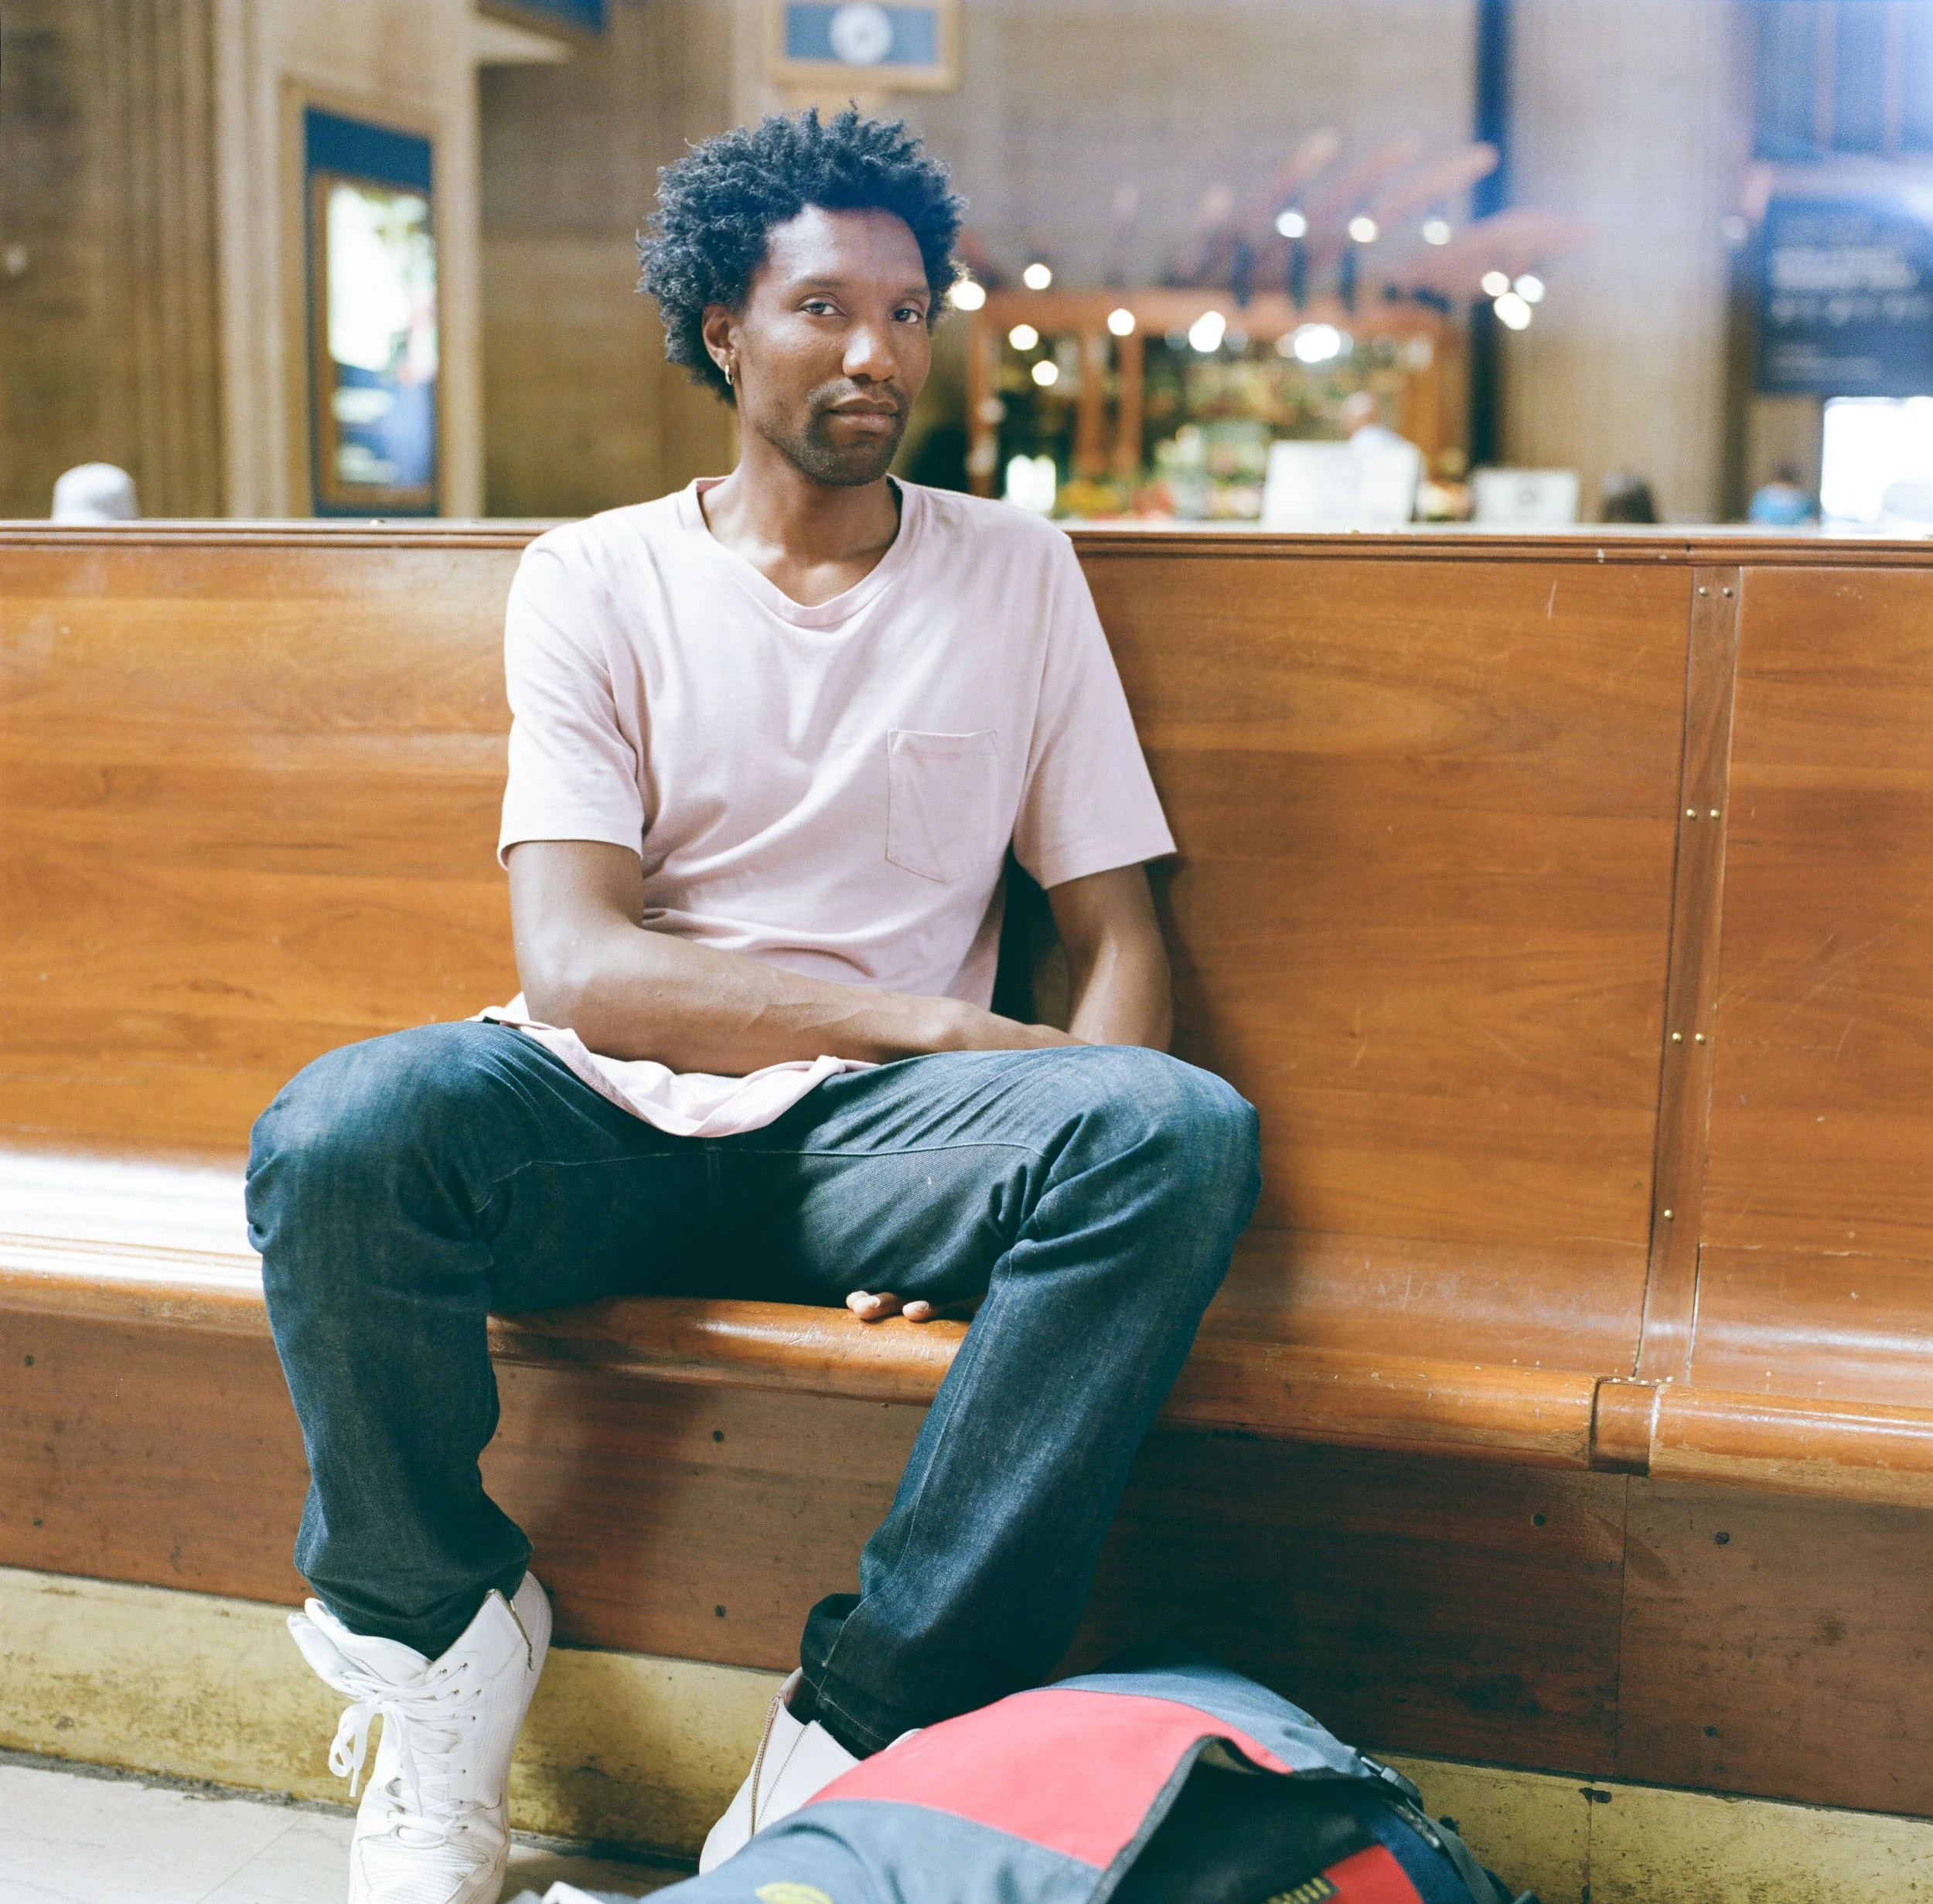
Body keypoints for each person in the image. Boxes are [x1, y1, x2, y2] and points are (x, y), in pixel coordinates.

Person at [247, 108, 1261, 1904]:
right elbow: (581, 965)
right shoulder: (597, 577)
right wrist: (933, 1030)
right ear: (722, 328)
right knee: (342, 1130)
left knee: (1172, 1131)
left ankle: (867, 1726)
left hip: (876, 1152)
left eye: (906, 311)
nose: (876, 353)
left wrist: (1025, 1163)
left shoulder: (1015, 569)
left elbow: (1114, 927)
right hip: (605, 1108)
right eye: (823, 309)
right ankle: (439, 1645)